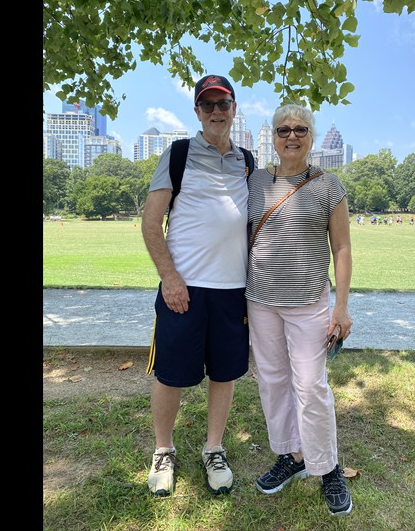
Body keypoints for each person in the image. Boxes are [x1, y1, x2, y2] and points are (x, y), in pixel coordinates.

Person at [141, 74, 253, 497]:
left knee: (223, 374)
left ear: (234, 109)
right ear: (197, 112)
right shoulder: (178, 154)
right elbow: (151, 222)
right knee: (170, 374)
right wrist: (170, 277)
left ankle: (214, 449)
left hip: (232, 292)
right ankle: (163, 450)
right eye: (208, 105)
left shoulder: (247, 160)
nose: (216, 112)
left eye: (223, 103)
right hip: (182, 289)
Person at [245, 103, 354, 516]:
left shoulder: (329, 185)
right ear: (272, 137)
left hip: (309, 303)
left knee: (311, 388)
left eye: (301, 129)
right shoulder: (254, 181)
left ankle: (327, 468)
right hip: (260, 301)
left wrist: (340, 306)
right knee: (273, 381)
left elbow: (341, 248)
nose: (291, 136)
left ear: (311, 136)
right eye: (283, 129)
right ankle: (292, 455)